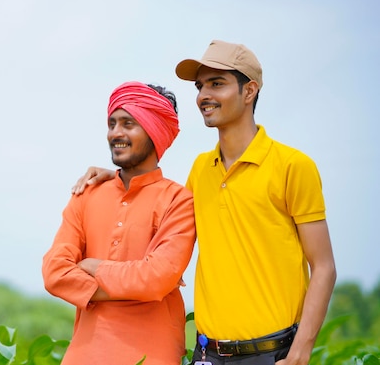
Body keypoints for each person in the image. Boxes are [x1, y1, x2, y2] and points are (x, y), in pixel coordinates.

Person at [71, 40, 337, 365]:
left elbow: (323, 266)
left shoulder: (293, 166)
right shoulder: (201, 169)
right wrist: (117, 177)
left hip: (271, 353)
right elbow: (163, 214)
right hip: (207, 354)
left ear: (249, 91)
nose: (203, 96)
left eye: (216, 84)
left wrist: (300, 352)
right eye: (200, 86)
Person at [42, 81, 196, 365]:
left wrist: (92, 267)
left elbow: (156, 279)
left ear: (155, 131)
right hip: (84, 355)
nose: (116, 133)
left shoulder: (178, 200)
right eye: (112, 123)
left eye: (128, 124)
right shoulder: (86, 193)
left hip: (152, 356)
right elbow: (54, 272)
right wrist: (133, 287)